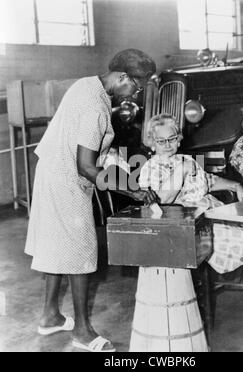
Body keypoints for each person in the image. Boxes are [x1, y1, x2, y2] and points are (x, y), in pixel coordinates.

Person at [25, 49, 157, 352]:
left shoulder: (86, 83)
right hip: (66, 180)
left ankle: (50, 316)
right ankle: (83, 332)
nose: (135, 95)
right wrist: (129, 188)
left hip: (49, 170)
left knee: (57, 245)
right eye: (136, 87)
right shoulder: (96, 106)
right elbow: (85, 166)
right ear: (122, 76)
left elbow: (84, 145)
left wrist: (114, 163)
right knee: (81, 252)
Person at [139, 113, 243, 288]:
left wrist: (236, 185)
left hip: (213, 212)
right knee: (239, 237)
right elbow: (162, 200)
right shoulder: (150, 168)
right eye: (161, 141)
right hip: (192, 224)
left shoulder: (186, 160)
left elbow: (209, 182)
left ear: (179, 139)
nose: (167, 145)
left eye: (172, 139)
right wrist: (181, 171)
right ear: (152, 142)